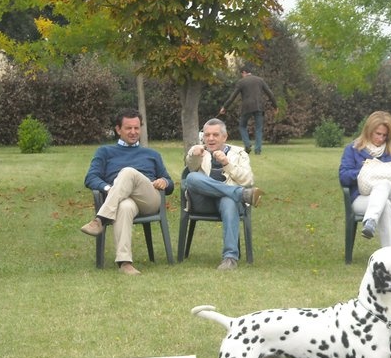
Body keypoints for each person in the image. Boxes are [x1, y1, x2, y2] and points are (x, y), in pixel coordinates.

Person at [81, 109, 174, 276]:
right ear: (118, 129)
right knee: (124, 207)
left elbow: (170, 184)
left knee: (128, 172)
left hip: (148, 199)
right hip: (122, 200)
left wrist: (164, 182)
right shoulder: (105, 152)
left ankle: (100, 219)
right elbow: (91, 178)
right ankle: (125, 263)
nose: (133, 132)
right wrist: (109, 189)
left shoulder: (152, 154)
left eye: (136, 128)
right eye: (128, 128)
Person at [183, 118, 264, 270]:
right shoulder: (198, 150)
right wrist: (194, 155)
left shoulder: (239, 153)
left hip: (227, 202)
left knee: (228, 201)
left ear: (224, 137)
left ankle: (230, 258)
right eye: (207, 135)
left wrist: (227, 163)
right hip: (203, 202)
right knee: (192, 178)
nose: (210, 139)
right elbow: (191, 168)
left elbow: (248, 179)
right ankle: (241, 194)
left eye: (215, 135)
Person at [339, 111, 391, 246]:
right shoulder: (352, 149)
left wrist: (386, 172)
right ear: (369, 131)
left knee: (383, 183)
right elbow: (343, 177)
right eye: (378, 134)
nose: (381, 139)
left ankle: (370, 221)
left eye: (384, 135)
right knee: (384, 205)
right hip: (361, 198)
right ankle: (390, 253)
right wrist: (366, 172)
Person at [219, 65, 278, 155]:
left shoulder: (241, 82)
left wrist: (225, 107)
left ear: (244, 72)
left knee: (242, 126)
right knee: (258, 128)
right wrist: (275, 106)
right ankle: (258, 150)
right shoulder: (260, 80)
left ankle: (247, 144)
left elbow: (233, 96)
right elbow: (270, 93)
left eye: (241, 74)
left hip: (246, 108)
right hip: (259, 107)